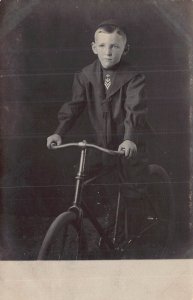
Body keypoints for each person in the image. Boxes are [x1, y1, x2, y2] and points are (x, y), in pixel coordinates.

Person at [47, 19, 149, 246]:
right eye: (102, 46)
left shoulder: (134, 77)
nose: (109, 52)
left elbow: (135, 108)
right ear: (94, 48)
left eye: (115, 46)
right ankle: (108, 230)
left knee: (132, 189)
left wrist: (129, 139)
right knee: (92, 181)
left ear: (125, 49)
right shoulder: (85, 75)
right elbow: (74, 106)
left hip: (129, 143)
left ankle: (133, 239)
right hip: (103, 143)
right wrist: (59, 132)